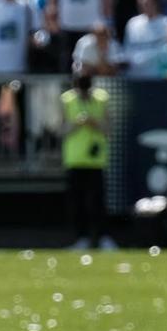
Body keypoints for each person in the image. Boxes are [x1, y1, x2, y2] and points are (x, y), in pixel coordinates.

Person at [60, 70, 114, 250]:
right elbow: (61, 129)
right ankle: (81, 239)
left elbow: (108, 128)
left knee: (98, 202)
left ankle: (103, 238)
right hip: (74, 159)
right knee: (77, 203)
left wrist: (94, 123)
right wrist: (76, 124)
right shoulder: (66, 100)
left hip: (96, 160)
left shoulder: (101, 98)